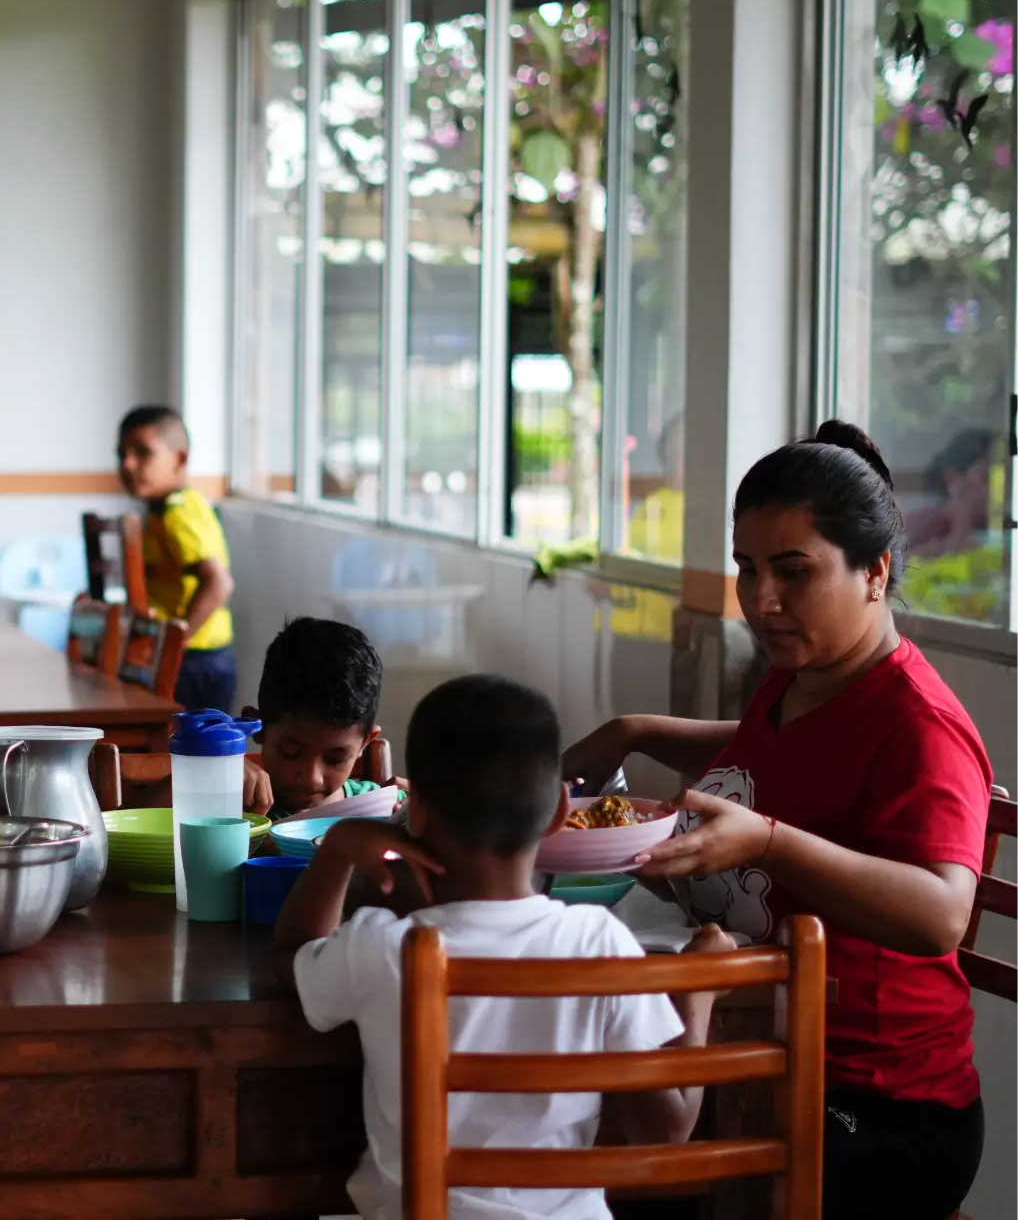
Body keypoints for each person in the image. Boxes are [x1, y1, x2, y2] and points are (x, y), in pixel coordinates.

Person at [565, 420, 990, 1220]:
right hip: (765, 1036)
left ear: (874, 573)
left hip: (878, 1104)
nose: (761, 601)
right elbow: (767, 751)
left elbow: (942, 914)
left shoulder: (919, 727)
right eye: (747, 569)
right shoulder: (805, 674)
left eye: (794, 572)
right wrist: (637, 731)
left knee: (607, 1143)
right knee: (580, 1094)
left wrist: (765, 841)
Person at [274, 673, 734, 1220]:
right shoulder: (599, 943)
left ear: (414, 809)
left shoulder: (383, 944)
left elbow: (292, 957)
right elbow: (666, 1131)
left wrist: (338, 849)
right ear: (561, 812)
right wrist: (699, 991)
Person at [131, 617, 388, 819]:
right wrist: (202, 772)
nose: (312, 778)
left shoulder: (377, 809)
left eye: (336, 758)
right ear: (258, 727)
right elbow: (120, 829)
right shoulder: (228, 801)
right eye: (290, 751)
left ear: (366, 743)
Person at [117, 406, 235, 712]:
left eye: (143, 453)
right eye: (122, 454)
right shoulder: (160, 511)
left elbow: (219, 583)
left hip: (195, 660)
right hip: (187, 658)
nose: (128, 464)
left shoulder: (178, 511)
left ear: (180, 459)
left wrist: (172, 647)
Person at [903, 427, 996, 560]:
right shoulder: (922, 525)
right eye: (986, 477)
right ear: (952, 478)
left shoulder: (1001, 528)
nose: (995, 490)